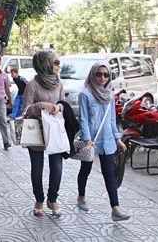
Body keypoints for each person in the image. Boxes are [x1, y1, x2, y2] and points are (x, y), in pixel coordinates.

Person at [77, 61, 131, 222]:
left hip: (107, 139)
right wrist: (87, 139)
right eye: (99, 74)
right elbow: (84, 120)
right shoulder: (85, 94)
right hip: (91, 140)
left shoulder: (110, 95)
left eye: (106, 74)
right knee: (85, 170)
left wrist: (117, 139)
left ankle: (115, 209)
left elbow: (112, 120)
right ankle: (81, 197)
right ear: (93, 74)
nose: (102, 78)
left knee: (109, 174)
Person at [23, 50, 65, 217]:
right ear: (45, 64)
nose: (58, 66)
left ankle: (52, 199)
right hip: (37, 132)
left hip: (54, 131)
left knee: (57, 168)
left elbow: (63, 104)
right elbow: (25, 110)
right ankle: (39, 199)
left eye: (58, 63)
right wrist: (41, 105)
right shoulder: (32, 85)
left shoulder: (58, 83)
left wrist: (58, 107)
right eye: (55, 63)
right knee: (37, 168)